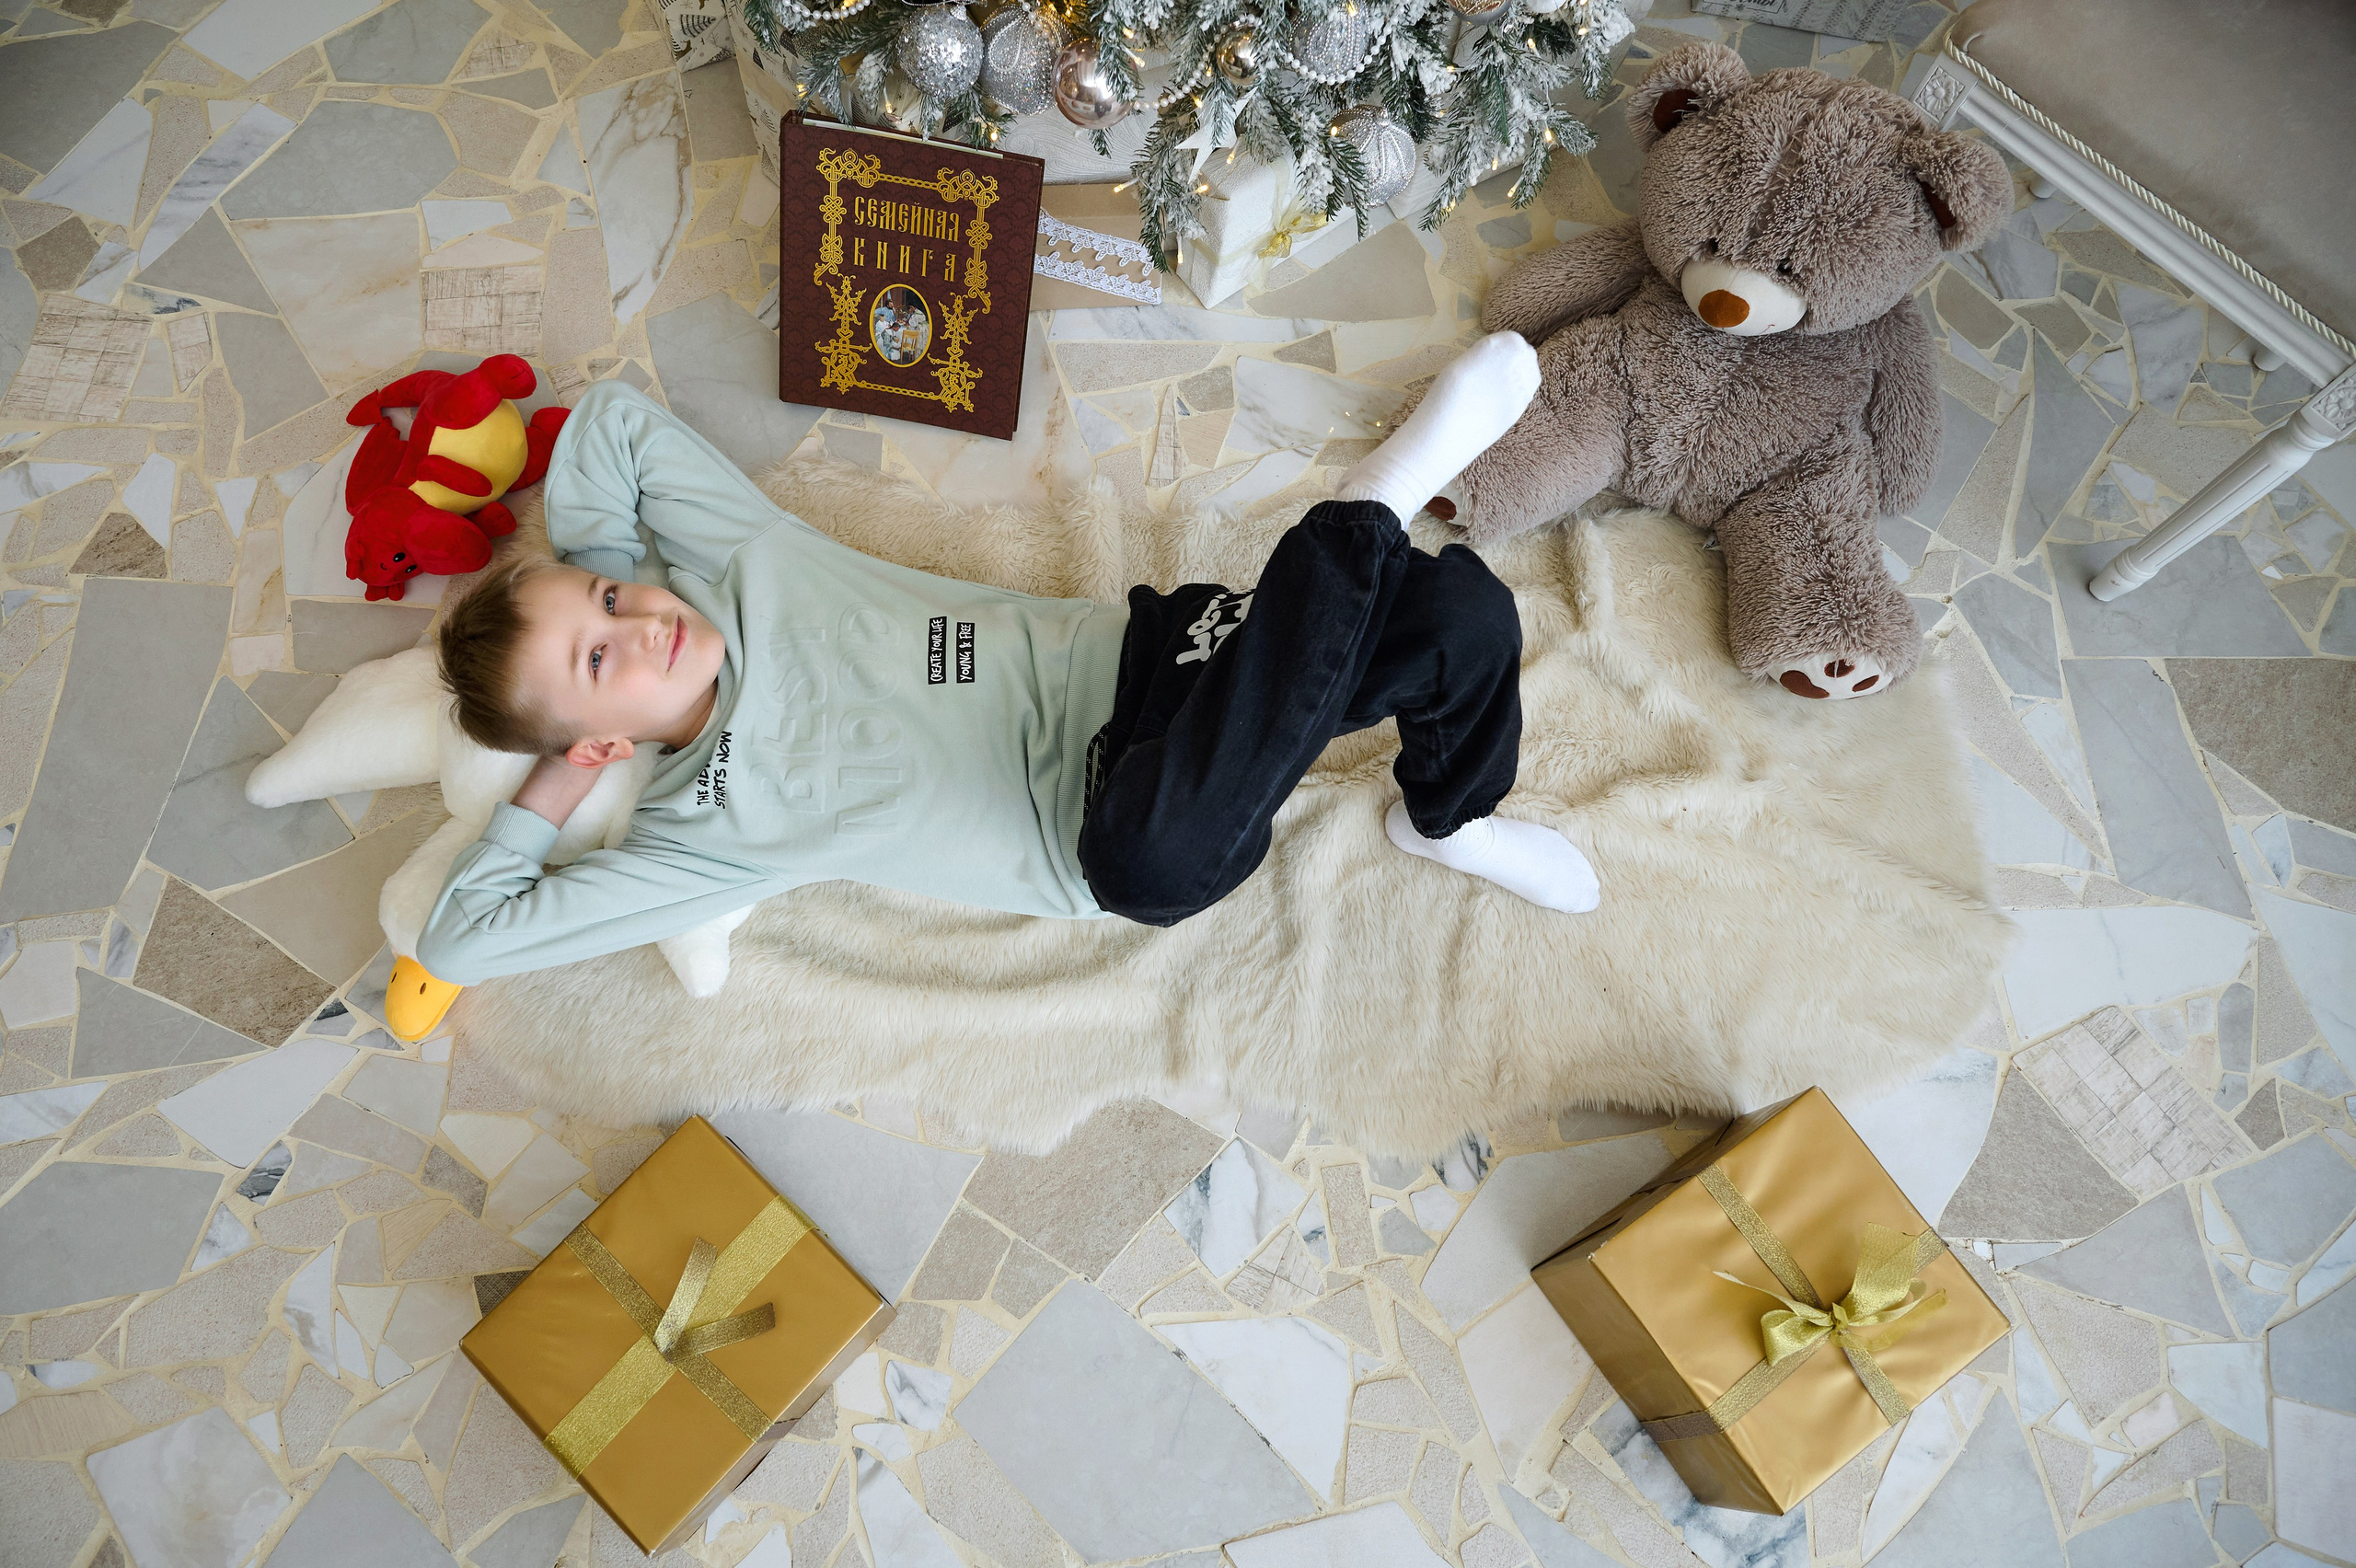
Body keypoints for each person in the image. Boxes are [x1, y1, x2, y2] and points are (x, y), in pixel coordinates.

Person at [414, 330, 1598, 997]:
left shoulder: (735, 566)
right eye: (601, 657)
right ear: (601, 738)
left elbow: (614, 420)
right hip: (1113, 826)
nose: (642, 623)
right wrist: (560, 784)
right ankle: (1367, 506)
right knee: (1160, 853)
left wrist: (593, 566)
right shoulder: (702, 834)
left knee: (1466, 616)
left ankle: (1446, 820)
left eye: (613, 599)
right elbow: (462, 938)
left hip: (1161, 664)